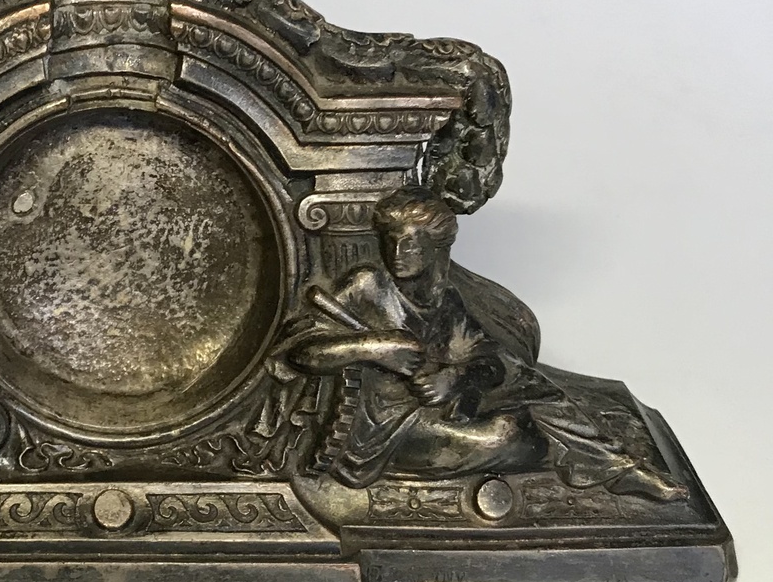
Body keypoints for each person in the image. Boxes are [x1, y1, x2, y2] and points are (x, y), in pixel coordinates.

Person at [283, 186, 687, 501]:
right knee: (512, 435)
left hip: (437, 409)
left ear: (436, 248)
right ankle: (592, 460)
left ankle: (619, 468)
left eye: (410, 244)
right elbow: (300, 353)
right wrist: (374, 348)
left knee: (526, 383)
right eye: (390, 242)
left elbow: (487, 355)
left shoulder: (445, 299)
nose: (397, 253)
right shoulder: (368, 286)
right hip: (379, 432)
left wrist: (454, 378)